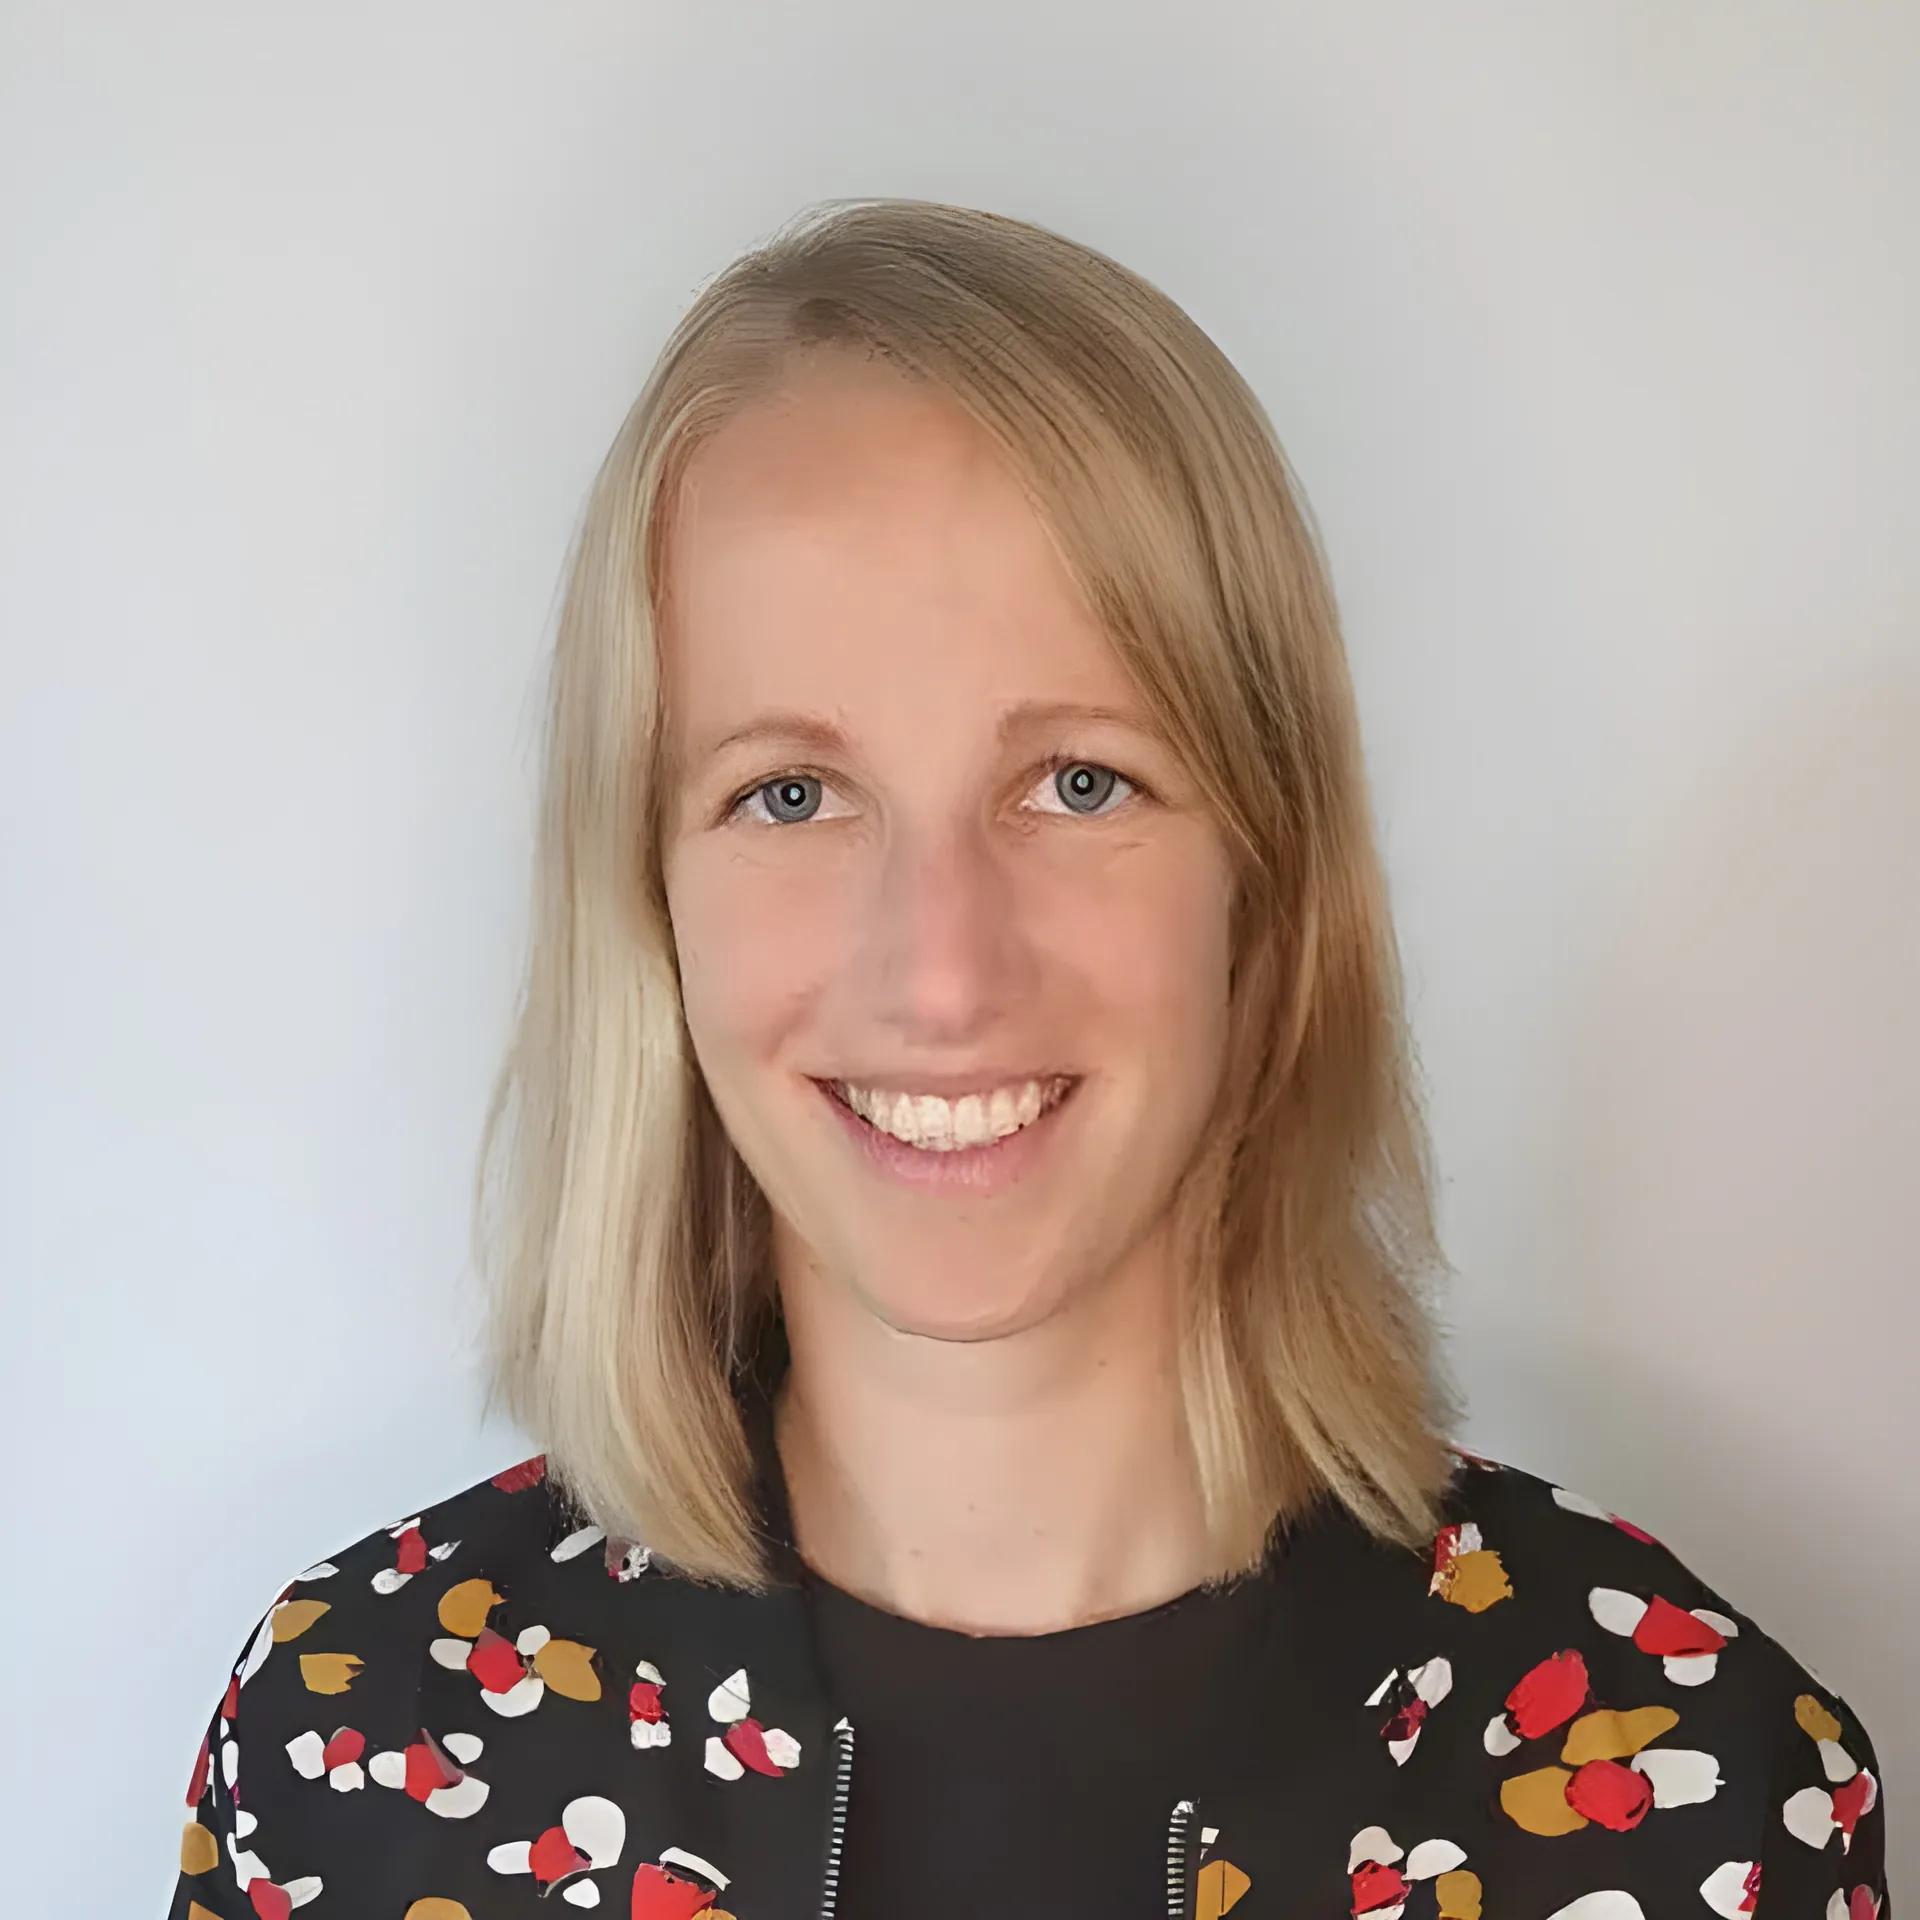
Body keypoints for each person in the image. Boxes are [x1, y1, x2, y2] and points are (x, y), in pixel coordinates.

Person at [163, 198, 1889, 1920]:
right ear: (649, 897)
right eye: (789, 793)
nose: (941, 975)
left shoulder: (1693, 1790)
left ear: (1266, 882)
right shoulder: (357, 1751)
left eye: (1080, 781)